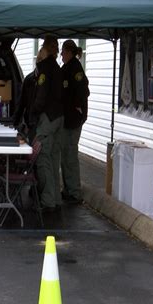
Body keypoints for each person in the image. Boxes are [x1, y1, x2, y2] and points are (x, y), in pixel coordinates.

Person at [32, 35, 64, 213]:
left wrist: (34, 113)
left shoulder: (45, 69)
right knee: (53, 159)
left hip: (48, 118)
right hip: (60, 117)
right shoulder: (58, 68)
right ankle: (56, 199)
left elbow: (41, 97)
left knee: (43, 159)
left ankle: (47, 201)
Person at [60, 40, 90, 204]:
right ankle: (68, 189)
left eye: (63, 52)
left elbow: (83, 90)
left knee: (70, 155)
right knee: (65, 155)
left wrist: (78, 107)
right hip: (67, 119)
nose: (61, 55)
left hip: (73, 119)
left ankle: (75, 193)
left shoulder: (75, 68)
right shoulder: (67, 68)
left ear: (70, 52)